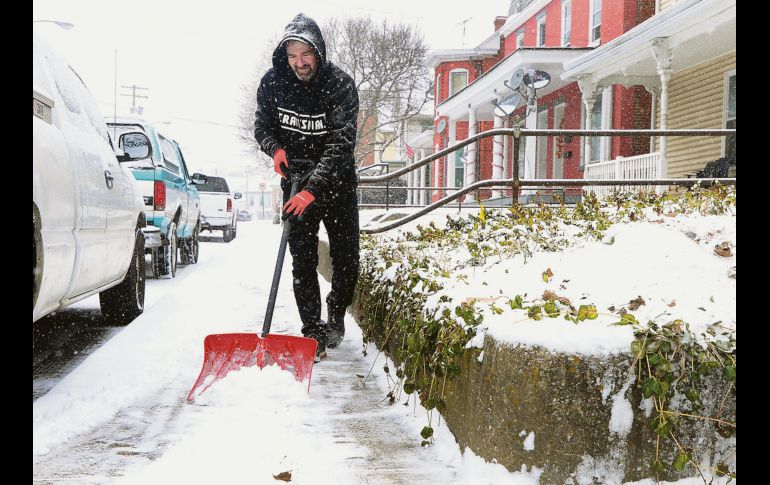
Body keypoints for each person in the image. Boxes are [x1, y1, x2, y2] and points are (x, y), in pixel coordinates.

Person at [254, 13, 360, 361]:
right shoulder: (273, 84)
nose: (299, 63)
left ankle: (336, 310)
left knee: (347, 259)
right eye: (292, 56)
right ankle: (312, 331)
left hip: (336, 184)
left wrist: (313, 188)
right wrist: (275, 149)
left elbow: (340, 144)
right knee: (302, 259)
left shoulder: (341, 86)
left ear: (318, 51)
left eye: (306, 55)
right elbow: (262, 126)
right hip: (295, 180)